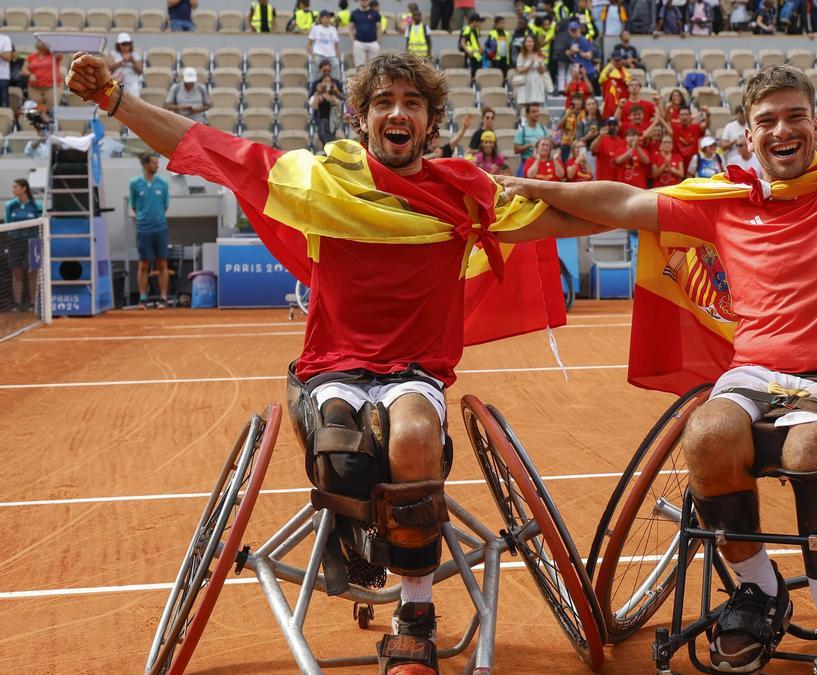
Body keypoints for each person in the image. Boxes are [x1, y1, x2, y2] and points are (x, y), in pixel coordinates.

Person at [497, 0, 817, 667]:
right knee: (706, 434)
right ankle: (756, 589)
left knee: (808, 450)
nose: (782, 130)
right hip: (757, 373)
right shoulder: (726, 202)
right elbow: (618, 203)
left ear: (815, 124)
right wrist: (516, 189)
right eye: (766, 120)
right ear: (749, 136)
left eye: (794, 116)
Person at [67, 48, 591, 675]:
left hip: (414, 370)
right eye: (384, 103)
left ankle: (415, 616)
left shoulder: (465, 192)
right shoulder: (319, 182)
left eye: (412, 103)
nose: (398, 113)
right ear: (361, 117)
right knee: (341, 442)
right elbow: (204, 145)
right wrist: (114, 100)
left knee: (418, 433)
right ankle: (357, 541)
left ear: (431, 121)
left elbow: (567, 214)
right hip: (335, 365)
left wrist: (673, 211)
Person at [129, 153, 172, 309]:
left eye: (157, 163)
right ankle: (142, 298)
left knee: (162, 263)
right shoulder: (134, 183)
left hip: (160, 228)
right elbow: (133, 205)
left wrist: (157, 218)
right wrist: (143, 218)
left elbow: (165, 206)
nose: (157, 165)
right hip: (143, 229)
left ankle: (163, 298)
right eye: (154, 163)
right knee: (143, 264)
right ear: (146, 164)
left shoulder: (163, 183)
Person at [3, 179, 41, 312]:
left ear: (24, 188)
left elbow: (42, 224)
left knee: (32, 272)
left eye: (15, 187)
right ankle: (17, 303)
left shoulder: (36, 205)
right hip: (15, 242)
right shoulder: (10, 206)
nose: (13, 189)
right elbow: (7, 223)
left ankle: (33, 302)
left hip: (32, 242)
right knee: (16, 272)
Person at [21, 40, 63, 115]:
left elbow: (60, 54)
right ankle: (43, 122)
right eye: (39, 41)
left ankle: (50, 121)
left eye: (43, 42)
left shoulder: (54, 55)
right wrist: (29, 74)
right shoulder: (32, 56)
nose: (40, 43)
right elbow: (24, 68)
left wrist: (50, 44)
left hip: (52, 87)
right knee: (37, 109)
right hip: (34, 87)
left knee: (51, 108)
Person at [513, 102, 549, 174]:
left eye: (537, 111)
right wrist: (530, 145)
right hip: (526, 161)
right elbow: (516, 150)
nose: (536, 114)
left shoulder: (543, 129)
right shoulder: (522, 130)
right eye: (533, 112)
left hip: (541, 162)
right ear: (527, 114)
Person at [310, 74, 345, 145]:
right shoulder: (318, 95)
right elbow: (314, 107)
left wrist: (335, 91)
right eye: (325, 81)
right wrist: (318, 92)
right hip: (322, 123)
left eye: (329, 81)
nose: (327, 83)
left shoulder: (333, 96)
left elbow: (339, 107)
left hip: (332, 124)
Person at [107, 33, 143, 99]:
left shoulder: (135, 55)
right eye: (123, 44)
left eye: (128, 44)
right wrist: (120, 63)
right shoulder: (113, 54)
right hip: (116, 82)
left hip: (131, 83)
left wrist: (133, 62)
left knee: (134, 100)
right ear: (119, 45)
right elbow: (108, 68)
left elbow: (140, 71)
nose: (126, 46)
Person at [514, 35, 547, 106]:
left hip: (537, 81)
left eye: (531, 41)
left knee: (536, 104)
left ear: (534, 43)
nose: (529, 44)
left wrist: (540, 63)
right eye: (527, 42)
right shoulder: (521, 55)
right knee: (526, 105)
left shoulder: (539, 54)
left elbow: (542, 71)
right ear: (524, 43)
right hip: (526, 81)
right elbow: (520, 70)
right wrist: (531, 64)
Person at [349, 0, 383, 68]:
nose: (364, 1)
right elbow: (350, 28)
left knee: (374, 67)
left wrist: (378, 42)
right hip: (359, 43)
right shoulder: (354, 13)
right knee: (360, 67)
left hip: (373, 43)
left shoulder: (375, 13)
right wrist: (353, 42)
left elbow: (379, 28)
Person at [590, 116, 624, 181]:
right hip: (603, 179)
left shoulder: (623, 142)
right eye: (609, 125)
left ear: (618, 127)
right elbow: (592, 148)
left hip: (618, 180)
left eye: (614, 125)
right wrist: (600, 135)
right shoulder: (601, 139)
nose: (612, 127)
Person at [557, 92, 588, 160]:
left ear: (582, 102)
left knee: (581, 165)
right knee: (566, 166)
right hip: (566, 145)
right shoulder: (566, 111)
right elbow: (558, 126)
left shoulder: (586, 113)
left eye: (579, 100)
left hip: (581, 145)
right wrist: (568, 114)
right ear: (571, 101)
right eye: (575, 100)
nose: (576, 102)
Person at [598, 54, 629, 119]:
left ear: (622, 61)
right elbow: (601, 81)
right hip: (610, 96)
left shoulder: (625, 71)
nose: (617, 62)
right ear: (611, 60)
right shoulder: (607, 69)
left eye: (619, 60)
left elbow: (628, 83)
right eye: (615, 60)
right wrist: (607, 73)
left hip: (622, 97)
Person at [459, 13, 484, 80]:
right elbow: (462, 42)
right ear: (474, 22)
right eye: (479, 22)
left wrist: (480, 48)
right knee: (471, 74)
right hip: (469, 56)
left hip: (476, 55)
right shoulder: (467, 29)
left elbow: (476, 41)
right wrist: (468, 51)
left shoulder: (475, 30)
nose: (480, 24)